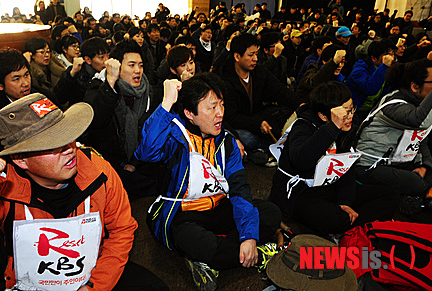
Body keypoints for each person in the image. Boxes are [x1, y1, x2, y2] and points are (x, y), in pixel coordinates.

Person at [0, 93, 168, 290]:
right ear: (20, 159)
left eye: (67, 135)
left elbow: (122, 230)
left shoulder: (99, 171)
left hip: (94, 268)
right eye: (52, 144)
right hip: (31, 283)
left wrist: (95, 287)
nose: (69, 148)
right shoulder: (1, 187)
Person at [135, 73, 282, 291]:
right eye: (211, 108)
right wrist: (166, 103)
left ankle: (212, 259)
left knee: (270, 212)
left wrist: (249, 236)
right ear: (189, 113)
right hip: (181, 213)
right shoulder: (175, 136)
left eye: (221, 105)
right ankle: (257, 255)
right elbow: (146, 151)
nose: (220, 113)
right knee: (191, 239)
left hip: (219, 206)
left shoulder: (227, 142)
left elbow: (239, 188)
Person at [269, 81, 398, 235]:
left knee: (390, 196)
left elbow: (346, 166)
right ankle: (351, 229)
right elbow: (301, 160)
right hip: (301, 192)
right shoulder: (303, 126)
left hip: (329, 187)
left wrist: (345, 202)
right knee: (335, 219)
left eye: (351, 110)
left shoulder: (349, 126)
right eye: (344, 113)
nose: (350, 117)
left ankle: (352, 230)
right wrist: (332, 128)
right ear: (323, 115)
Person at [356, 59, 432, 199]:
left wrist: (424, 165)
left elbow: (422, 140)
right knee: (417, 184)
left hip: (397, 163)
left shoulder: (418, 104)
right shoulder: (394, 104)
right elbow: (420, 121)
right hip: (369, 166)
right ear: (415, 86)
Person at [83, 40, 157, 198]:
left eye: (141, 65)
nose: (138, 71)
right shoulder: (99, 87)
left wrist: (135, 162)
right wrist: (110, 82)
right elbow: (97, 121)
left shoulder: (146, 89)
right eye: (131, 65)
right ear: (117, 66)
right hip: (111, 160)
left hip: (139, 158)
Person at [214, 33, 303, 166]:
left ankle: (265, 149)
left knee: (285, 112)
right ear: (237, 56)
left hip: (256, 117)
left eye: (256, 54)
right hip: (236, 124)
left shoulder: (259, 72)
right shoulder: (225, 80)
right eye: (251, 55)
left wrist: (301, 104)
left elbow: (280, 90)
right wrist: (257, 124)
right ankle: (267, 149)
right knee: (245, 137)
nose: (255, 58)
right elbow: (230, 117)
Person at [0, 48, 58, 155]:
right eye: (16, 79)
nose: (25, 83)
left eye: (26, 75)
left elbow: (59, 128)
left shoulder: (42, 97)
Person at [346, 39, 395, 119]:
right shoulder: (359, 70)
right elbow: (370, 89)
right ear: (374, 58)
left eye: (392, 54)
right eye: (386, 55)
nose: (391, 58)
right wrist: (384, 66)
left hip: (372, 110)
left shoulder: (386, 68)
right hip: (356, 111)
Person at [54, 36, 110, 107]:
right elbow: (60, 98)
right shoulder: (77, 72)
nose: (106, 61)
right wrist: (71, 74)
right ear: (88, 59)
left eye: (108, 56)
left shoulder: (110, 71)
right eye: (101, 57)